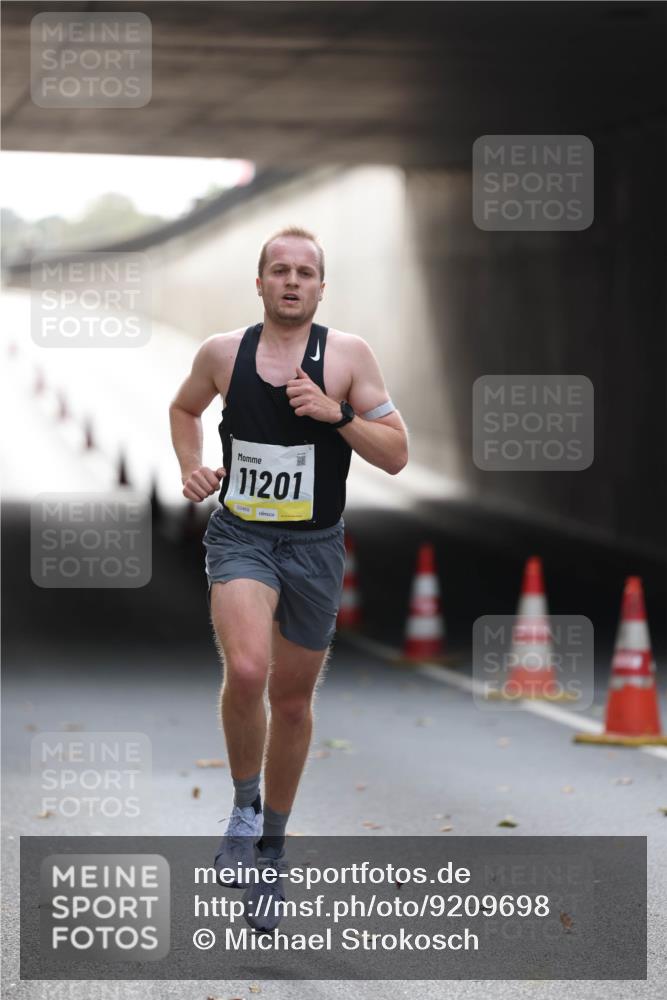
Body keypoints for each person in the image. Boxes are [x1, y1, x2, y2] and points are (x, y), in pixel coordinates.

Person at [169, 225, 408, 930]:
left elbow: (395, 454)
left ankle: (272, 849)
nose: (292, 281)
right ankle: (242, 812)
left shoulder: (346, 356)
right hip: (242, 535)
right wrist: (191, 465)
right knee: (246, 670)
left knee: (293, 702)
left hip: (315, 548)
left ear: (321, 286)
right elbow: (184, 408)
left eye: (305, 271)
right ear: (261, 282)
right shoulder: (221, 353)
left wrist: (336, 415)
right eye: (280, 270)